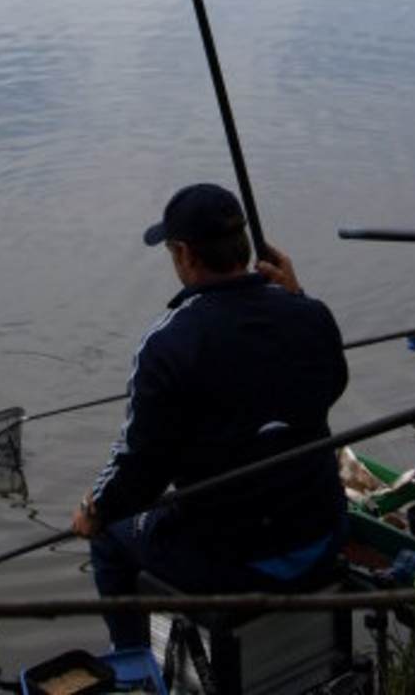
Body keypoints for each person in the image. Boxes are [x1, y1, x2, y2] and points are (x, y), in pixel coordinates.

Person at [72, 183, 350, 652]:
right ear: (244, 245)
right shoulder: (310, 315)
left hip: (236, 562)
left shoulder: (168, 345)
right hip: (322, 532)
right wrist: (296, 295)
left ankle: (135, 671)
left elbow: (141, 470)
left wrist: (94, 509)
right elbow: (331, 383)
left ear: (184, 254)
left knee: (111, 541)